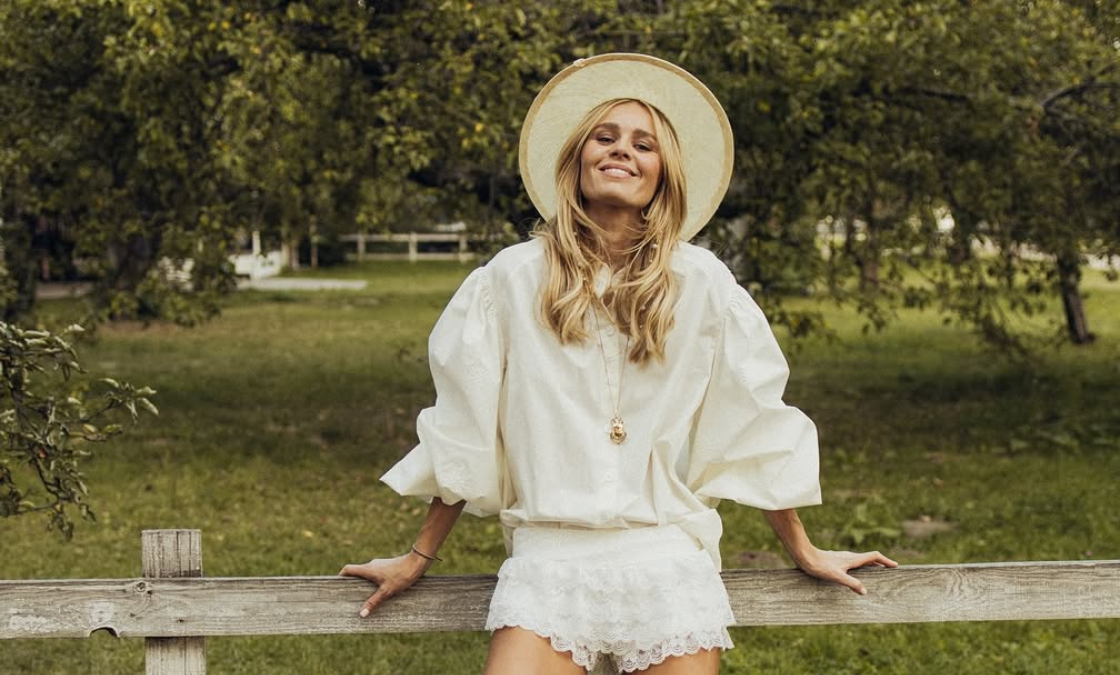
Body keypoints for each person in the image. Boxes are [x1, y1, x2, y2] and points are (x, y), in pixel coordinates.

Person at [340, 53, 897, 675]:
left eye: (643, 144)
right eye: (604, 137)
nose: (622, 150)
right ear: (577, 160)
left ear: (663, 175)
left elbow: (751, 420)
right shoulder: (510, 280)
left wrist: (803, 548)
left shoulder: (703, 284)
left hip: (668, 557)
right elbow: (466, 428)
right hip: (550, 558)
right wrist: (417, 556)